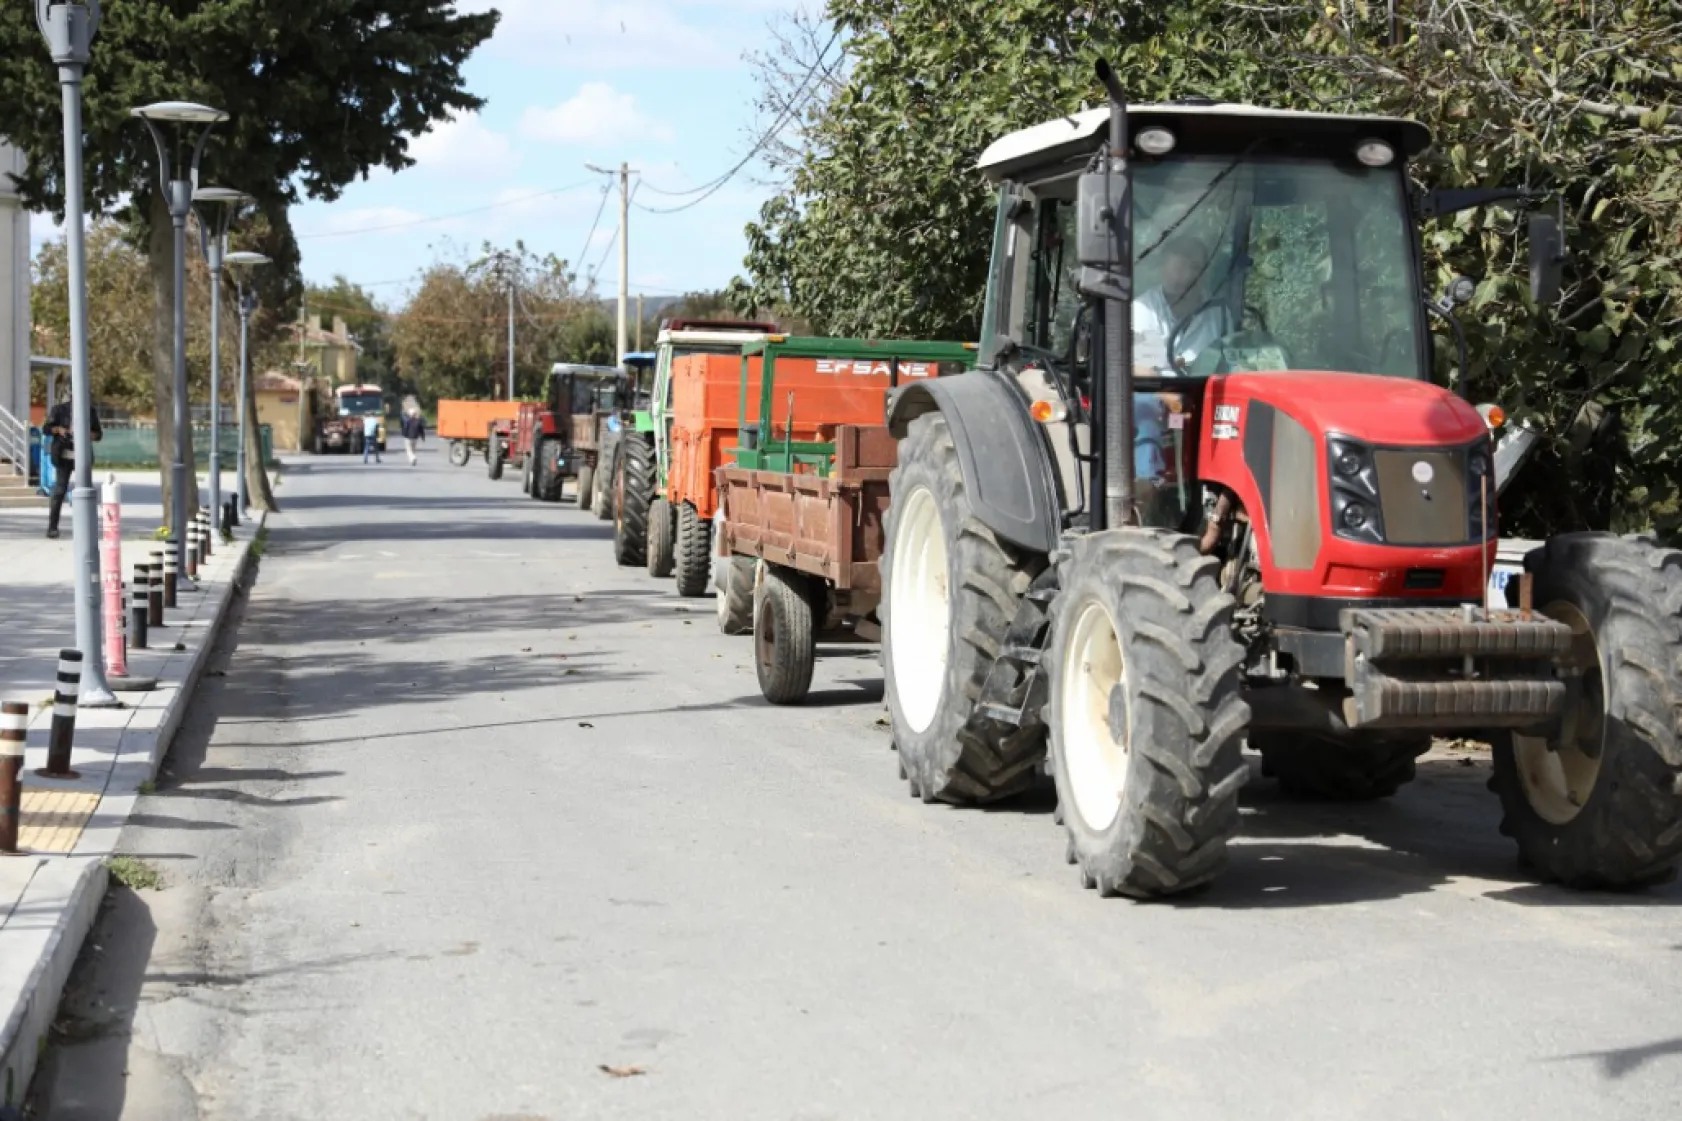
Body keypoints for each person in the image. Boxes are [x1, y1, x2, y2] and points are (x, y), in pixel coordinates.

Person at [42, 387, 102, 539]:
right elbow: (46, 428)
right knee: (60, 490)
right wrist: (59, 430)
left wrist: (90, 434)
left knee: (85, 490)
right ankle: (52, 527)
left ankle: (86, 527)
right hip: (63, 453)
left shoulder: (91, 411)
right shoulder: (59, 410)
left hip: (82, 454)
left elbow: (99, 434)